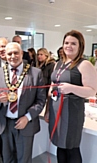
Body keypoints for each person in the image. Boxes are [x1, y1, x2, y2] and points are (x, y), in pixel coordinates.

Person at [44, 30, 97, 163]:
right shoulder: (59, 63)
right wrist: (48, 110)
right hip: (56, 110)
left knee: (71, 148)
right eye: (66, 43)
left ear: (80, 46)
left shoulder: (84, 64)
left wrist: (71, 88)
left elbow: (92, 91)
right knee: (60, 145)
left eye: (73, 43)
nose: (69, 46)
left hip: (72, 113)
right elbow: (52, 87)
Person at [0, 42, 46, 163]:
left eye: (16, 52)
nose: (13, 56)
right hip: (5, 124)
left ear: (22, 53)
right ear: (5, 55)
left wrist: (27, 117)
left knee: (23, 159)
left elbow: (41, 100)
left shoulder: (35, 73)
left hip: (25, 123)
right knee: (7, 158)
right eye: (9, 53)